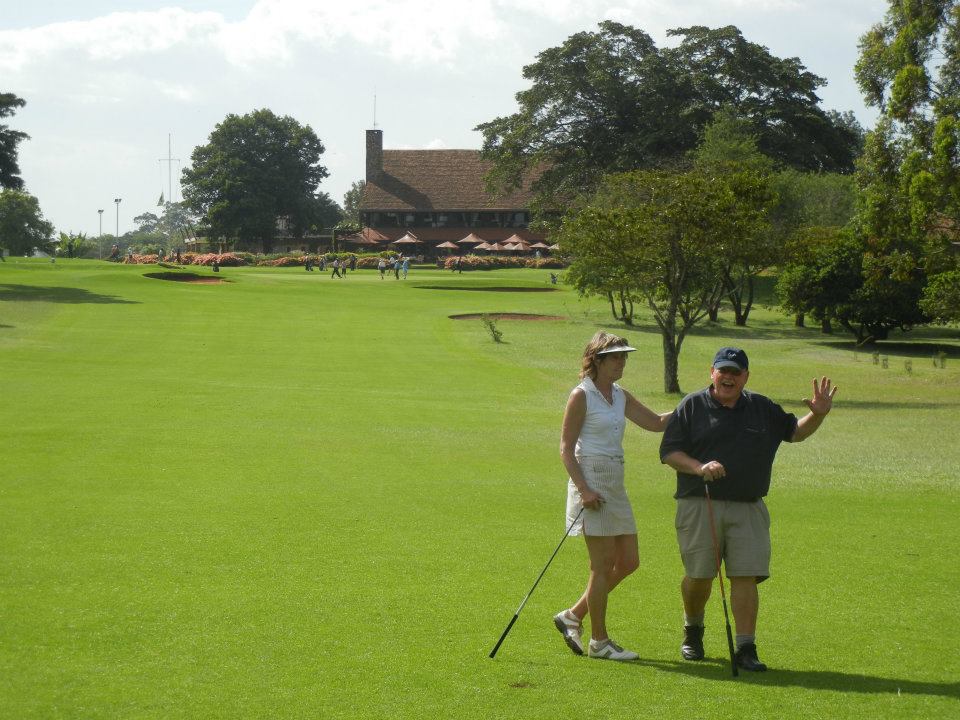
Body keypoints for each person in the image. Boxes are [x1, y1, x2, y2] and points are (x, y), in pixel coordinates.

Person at [659, 347, 838, 672]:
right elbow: (669, 452)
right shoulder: (692, 405)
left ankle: (746, 648)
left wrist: (818, 415)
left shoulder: (762, 407)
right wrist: (699, 467)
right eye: (723, 371)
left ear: (745, 377)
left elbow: (795, 432)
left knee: (745, 576)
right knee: (699, 576)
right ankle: (693, 630)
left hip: (749, 507)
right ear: (712, 372)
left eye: (735, 372)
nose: (728, 377)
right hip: (701, 503)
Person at [554, 331, 670, 662]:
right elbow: (566, 449)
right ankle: (599, 641)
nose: (622, 362)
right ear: (597, 360)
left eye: (624, 357)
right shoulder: (581, 395)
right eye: (615, 357)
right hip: (590, 482)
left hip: (615, 482)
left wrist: (696, 403)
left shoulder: (619, 395)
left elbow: (656, 423)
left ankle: (573, 616)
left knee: (629, 561)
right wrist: (584, 489)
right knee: (602, 566)